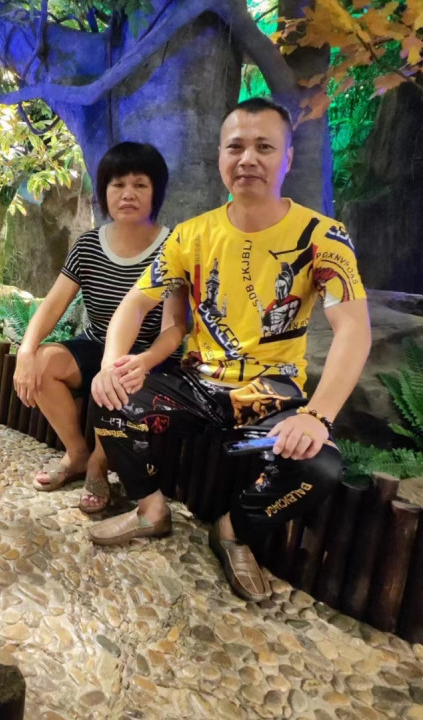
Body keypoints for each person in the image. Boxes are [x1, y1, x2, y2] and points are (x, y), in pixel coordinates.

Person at [89, 97, 371, 603]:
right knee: (110, 399)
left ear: (287, 158)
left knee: (319, 467)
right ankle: (151, 510)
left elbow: (353, 328)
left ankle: (232, 531)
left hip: (270, 394)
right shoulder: (191, 235)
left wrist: (318, 416)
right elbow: (135, 303)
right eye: (235, 147)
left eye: (264, 147)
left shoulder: (323, 237)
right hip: (196, 384)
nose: (248, 159)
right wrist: (112, 364)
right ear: (220, 156)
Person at [13, 141, 185, 514]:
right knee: (42, 363)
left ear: (156, 192)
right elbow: (53, 304)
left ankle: (98, 464)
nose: (128, 194)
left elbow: (174, 328)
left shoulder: (173, 248)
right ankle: (77, 453)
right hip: (97, 343)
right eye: (117, 184)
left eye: (140, 185)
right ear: (104, 191)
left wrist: (142, 361)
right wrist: (25, 351)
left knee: (118, 377)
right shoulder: (89, 245)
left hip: (148, 358)